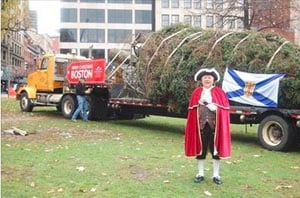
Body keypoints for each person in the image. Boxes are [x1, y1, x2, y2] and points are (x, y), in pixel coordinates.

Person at [184, 68, 231, 185]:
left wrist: (213, 107)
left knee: (216, 152)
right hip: (200, 127)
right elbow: (192, 112)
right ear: (201, 80)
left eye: (209, 77)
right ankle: (200, 174)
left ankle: (216, 175)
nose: (207, 79)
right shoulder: (196, 93)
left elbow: (223, 111)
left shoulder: (220, 93)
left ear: (213, 79)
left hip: (215, 127)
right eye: (205, 77)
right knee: (201, 150)